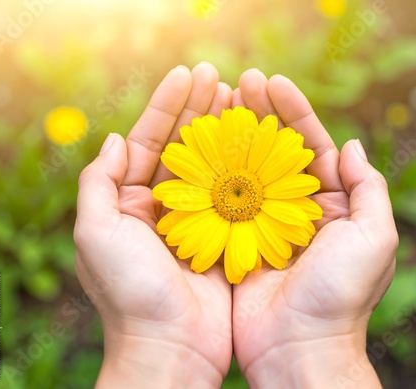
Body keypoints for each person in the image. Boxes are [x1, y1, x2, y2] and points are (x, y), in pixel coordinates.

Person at [74, 62, 398, 388]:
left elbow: (298, 213)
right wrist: (319, 343)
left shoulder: (280, 208)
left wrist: (154, 345)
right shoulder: (197, 204)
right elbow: (177, 216)